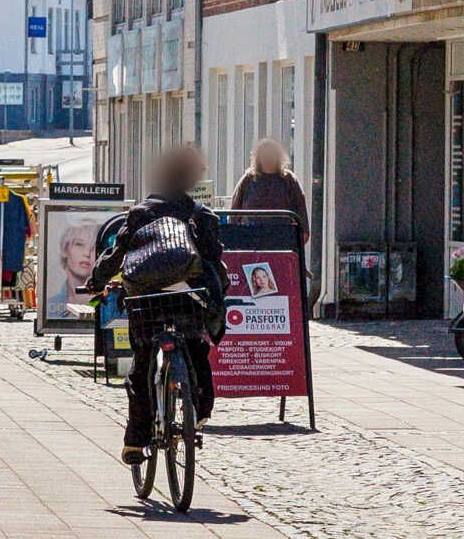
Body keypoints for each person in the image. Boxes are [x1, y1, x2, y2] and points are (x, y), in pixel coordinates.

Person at [88, 143, 228, 466]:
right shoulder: (201, 215)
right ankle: (200, 411)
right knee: (195, 350)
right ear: (192, 178)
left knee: (142, 365)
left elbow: (117, 255)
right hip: (187, 301)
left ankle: (136, 441)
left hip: (147, 301)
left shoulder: (140, 213)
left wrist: (97, 280)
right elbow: (214, 259)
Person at [228, 138, 311, 277]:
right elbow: (235, 211)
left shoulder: (289, 180)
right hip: (253, 242)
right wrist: (235, 238)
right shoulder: (248, 179)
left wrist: (302, 236)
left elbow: (300, 210)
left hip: (282, 242)